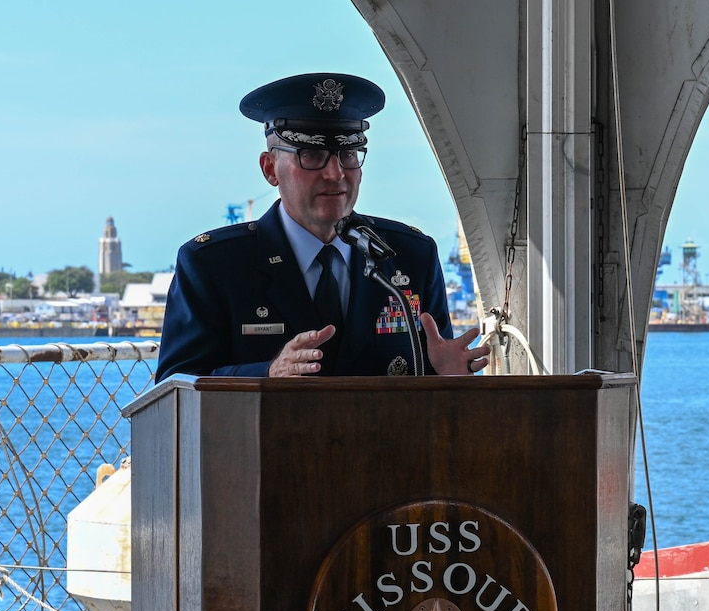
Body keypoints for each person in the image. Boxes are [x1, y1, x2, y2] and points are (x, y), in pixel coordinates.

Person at [155, 72, 489, 381]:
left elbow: (431, 374)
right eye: (312, 156)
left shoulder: (409, 256)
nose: (335, 173)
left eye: (349, 154)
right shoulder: (214, 264)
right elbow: (175, 385)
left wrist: (448, 377)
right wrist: (267, 374)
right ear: (270, 168)